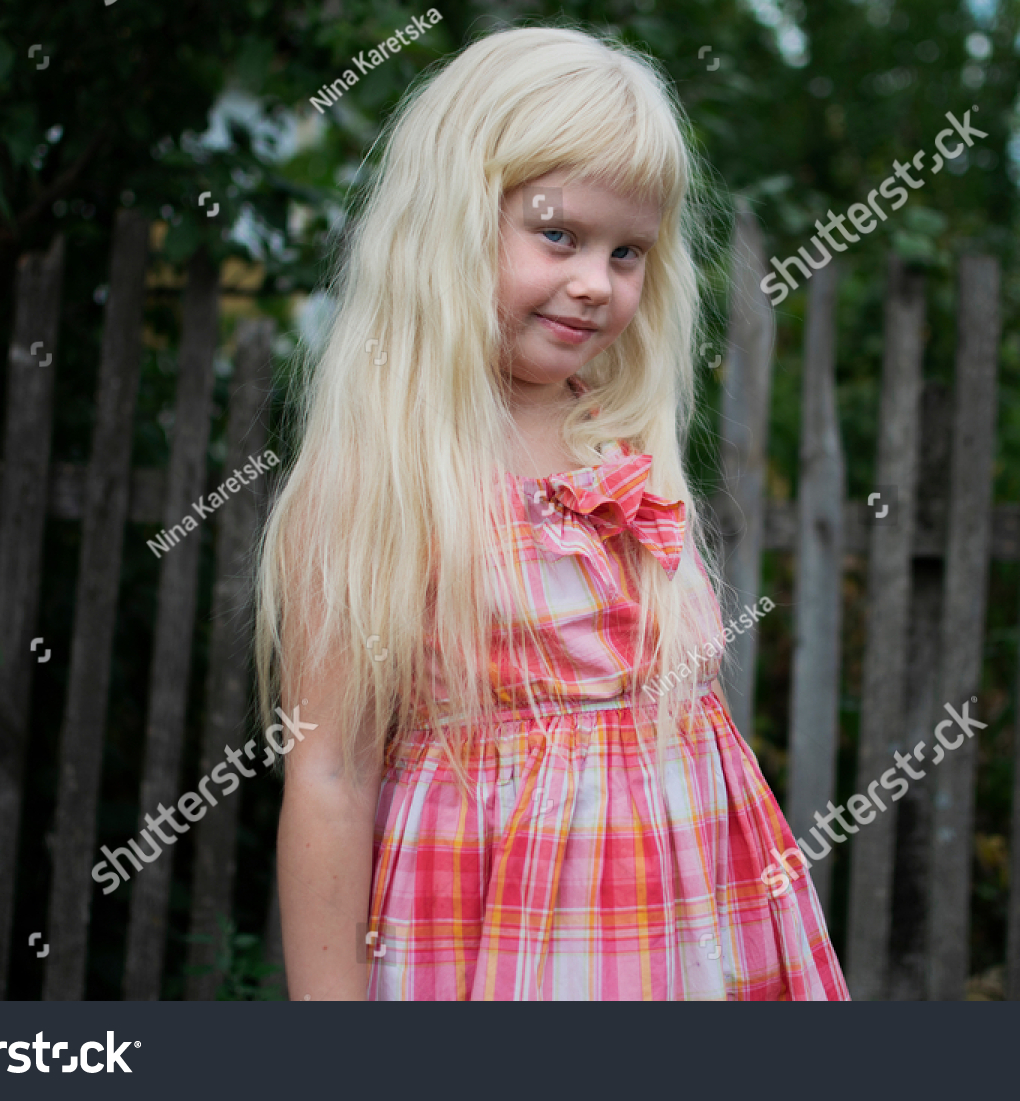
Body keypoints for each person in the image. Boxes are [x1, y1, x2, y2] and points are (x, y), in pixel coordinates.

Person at [255, 24, 848, 1001]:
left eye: (628, 253)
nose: (595, 283)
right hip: (503, 942)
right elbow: (330, 776)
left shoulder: (615, 439)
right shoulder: (385, 471)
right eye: (559, 235)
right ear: (451, 219)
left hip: (694, 937)